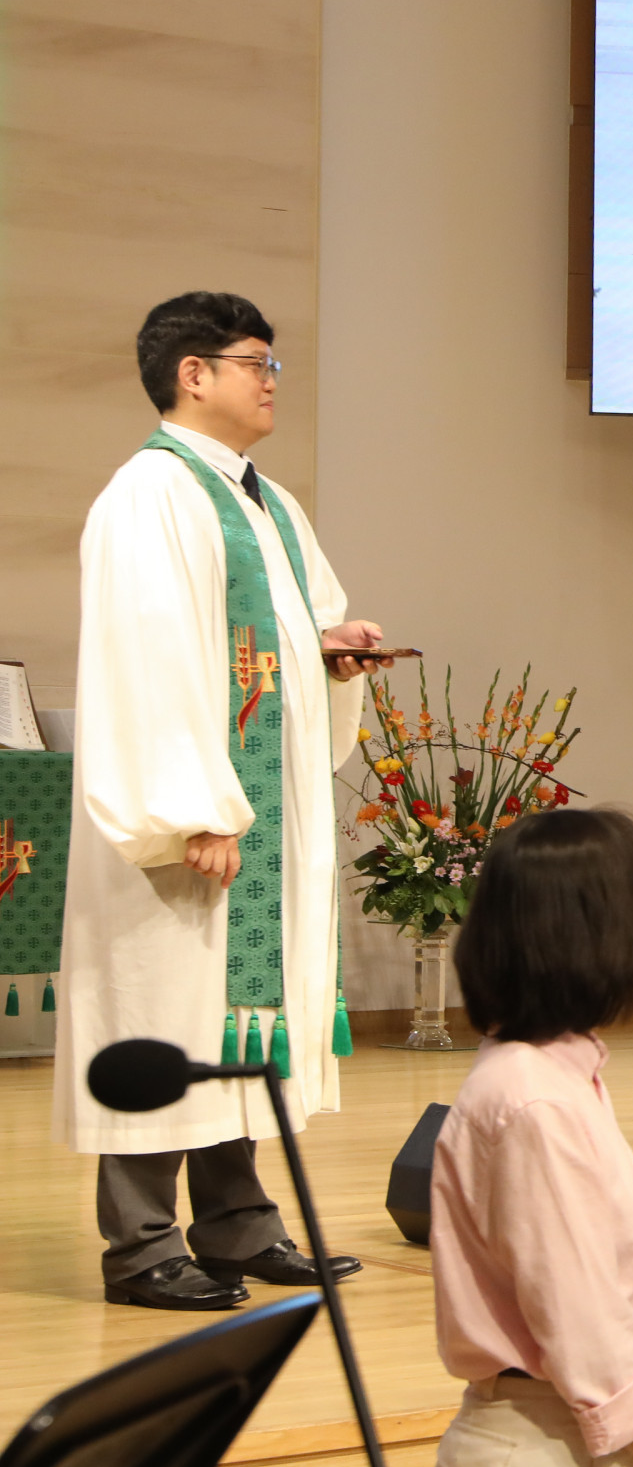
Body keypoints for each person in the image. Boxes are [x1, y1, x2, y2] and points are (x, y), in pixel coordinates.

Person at [52, 291, 389, 1311]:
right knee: (160, 1015)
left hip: (249, 818)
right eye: (256, 362)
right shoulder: (148, 495)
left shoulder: (267, 502)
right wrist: (190, 805)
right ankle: (141, 1245)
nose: (273, 379)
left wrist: (328, 653)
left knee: (237, 1023)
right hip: (186, 825)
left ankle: (237, 1222)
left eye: (273, 363)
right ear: (192, 374)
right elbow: (145, 659)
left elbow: (276, 639)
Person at [431, 810, 633, 1467]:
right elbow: (589, 1335)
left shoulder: (556, 1077)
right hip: (543, 1442)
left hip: (578, 1433)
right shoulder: (533, 1100)